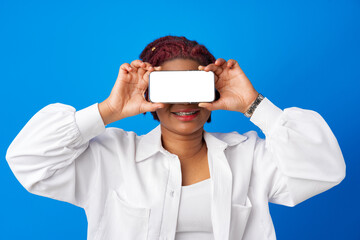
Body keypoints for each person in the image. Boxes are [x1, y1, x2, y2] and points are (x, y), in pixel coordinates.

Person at [6, 36, 346, 240]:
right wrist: (109, 110)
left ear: (214, 93)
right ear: (150, 97)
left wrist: (252, 104)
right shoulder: (110, 158)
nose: (183, 102)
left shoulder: (250, 157)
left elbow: (326, 169)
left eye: (193, 87)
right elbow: (28, 159)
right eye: (170, 89)